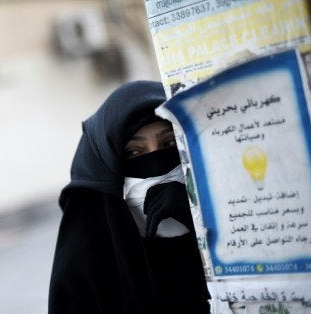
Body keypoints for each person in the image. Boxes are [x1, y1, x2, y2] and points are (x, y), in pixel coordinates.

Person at [49, 81, 210, 313]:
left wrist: (200, 220)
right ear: (108, 168)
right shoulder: (85, 266)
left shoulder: (233, 220)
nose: (156, 162)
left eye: (170, 143)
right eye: (134, 152)